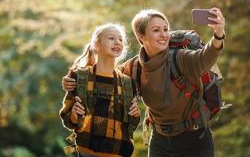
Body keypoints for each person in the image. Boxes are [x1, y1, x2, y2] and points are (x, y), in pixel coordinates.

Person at [62, 8, 225, 157]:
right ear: (141, 37)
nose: (164, 34)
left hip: (195, 139)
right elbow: (104, 76)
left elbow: (206, 56)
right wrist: (73, 80)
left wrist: (218, 34)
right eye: (156, 30)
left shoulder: (181, 59)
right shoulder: (133, 68)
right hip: (159, 141)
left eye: (165, 29)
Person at [59, 23, 140, 157]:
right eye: (111, 38)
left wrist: (135, 114)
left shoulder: (128, 83)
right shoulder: (79, 77)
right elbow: (67, 119)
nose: (117, 42)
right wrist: (74, 115)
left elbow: (131, 125)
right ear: (96, 44)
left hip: (120, 152)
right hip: (88, 152)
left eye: (120, 39)